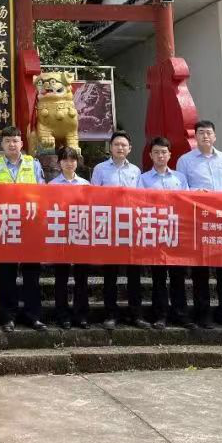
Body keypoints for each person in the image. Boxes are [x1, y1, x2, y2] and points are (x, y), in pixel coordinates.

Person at [176, 120, 222, 330]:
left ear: (214, 136)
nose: (205, 136)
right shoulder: (185, 160)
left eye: (209, 133)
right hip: (198, 220)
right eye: (201, 132)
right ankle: (202, 313)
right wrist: (197, 193)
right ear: (195, 136)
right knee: (200, 269)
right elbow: (181, 188)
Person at [0, 125, 46, 333]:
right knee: (7, 274)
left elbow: (43, 193)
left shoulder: (33, 164)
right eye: (8, 141)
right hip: (5, 226)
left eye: (15, 140)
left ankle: (33, 316)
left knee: (32, 274)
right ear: (2, 145)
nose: (12, 144)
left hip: (30, 225)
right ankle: (8, 317)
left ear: (22, 143)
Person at [91, 131, 149, 330]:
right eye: (116, 144)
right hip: (109, 227)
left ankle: (136, 314)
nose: (120, 148)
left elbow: (141, 198)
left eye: (124, 145)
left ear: (129, 149)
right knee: (110, 274)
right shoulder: (100, 169)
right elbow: (93, 196)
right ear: (110, 147)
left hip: (131, 228)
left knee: (134, 274)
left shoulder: (135, 171)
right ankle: (110, 314)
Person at [138, 137, 191, 329]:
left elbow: (187, 201)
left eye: (163, 152)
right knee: (158, 277)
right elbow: (140, 203)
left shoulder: (180, 178)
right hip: (155, 231)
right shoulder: (143, 179)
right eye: (156, 152)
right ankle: (160, 315)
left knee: (178, 276)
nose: (160, 156)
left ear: (170, 155)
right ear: (150, 155)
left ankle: (180, 314)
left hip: (176, 231)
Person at [50, 145, 90, 330]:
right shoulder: (52, 186)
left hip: (81, 234)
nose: (69, 163)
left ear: (77, 162)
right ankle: (62, 315)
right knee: (61, 278)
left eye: (72, 159)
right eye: (65, 159)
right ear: (59, 163)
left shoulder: (86, 185)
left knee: (82, 277)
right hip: (61, 235)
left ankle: (81, 315)